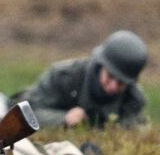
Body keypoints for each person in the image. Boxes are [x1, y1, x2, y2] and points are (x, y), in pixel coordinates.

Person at [17, 30, 149, 130]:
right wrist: (63, 118)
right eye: (110, 77)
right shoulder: (63, 76)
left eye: (120, 82)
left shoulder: (133, 99)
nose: (113, 86)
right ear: (101, 65)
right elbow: (24, 113)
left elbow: (137, 130)